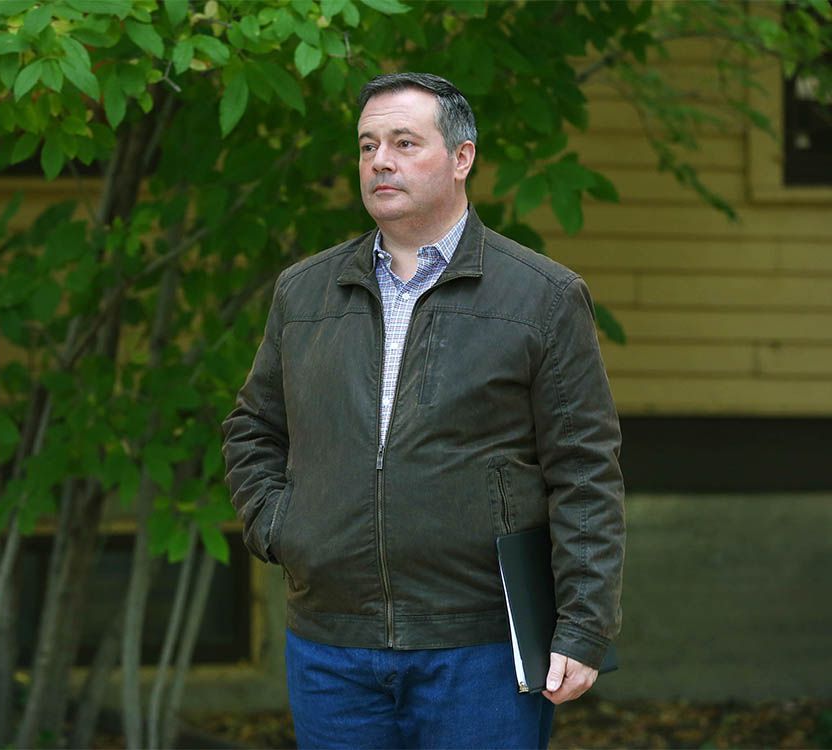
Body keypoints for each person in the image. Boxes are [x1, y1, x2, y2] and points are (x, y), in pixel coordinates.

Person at [222, 72, 625, 750]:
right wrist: (284, 528)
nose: (381, 160)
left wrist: (584, 626)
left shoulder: (543, 298)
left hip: (480, 649)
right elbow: (252, 429)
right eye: (368, 145)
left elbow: (585, 470)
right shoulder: (306, 292)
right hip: (332, 649)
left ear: (462, 157)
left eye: (405, 143)